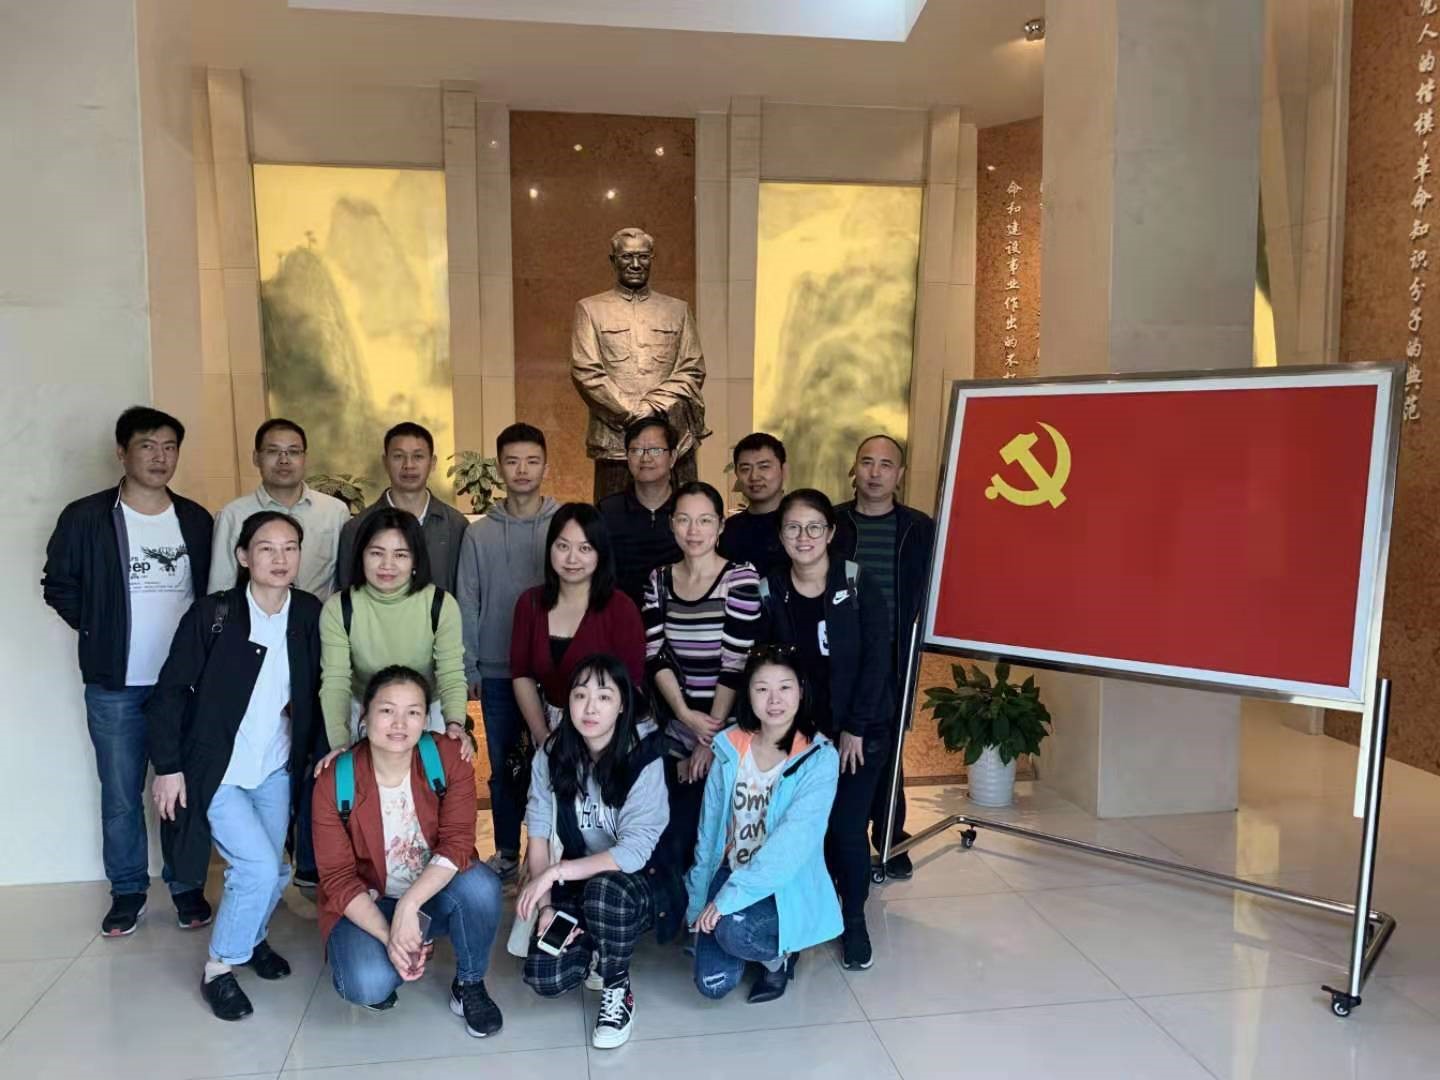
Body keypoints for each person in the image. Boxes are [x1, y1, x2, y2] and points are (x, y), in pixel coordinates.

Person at [41, 405, 214, 936]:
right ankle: (128, 890)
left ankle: (186, 885)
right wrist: (99, 628)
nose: (160, 457)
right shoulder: (86, 517)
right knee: (121, 794)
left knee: (184, 790)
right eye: (147, 446)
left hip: (182, 685)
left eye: (169, 447)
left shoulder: (195, 519)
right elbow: (58, 584)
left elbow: (213, 594)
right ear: (122, 452)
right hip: (115, 685)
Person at [146, 511, 323, 1020]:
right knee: (258, 867)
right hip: (217, 770)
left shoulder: (308, 612)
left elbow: (317, 688)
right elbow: (168, 693)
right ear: (243, 556)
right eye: (266, 548)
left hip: (274, 767)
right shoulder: (214, 614)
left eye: (290, 547)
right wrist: (168, 767)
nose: (280, 558)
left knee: (276, 867)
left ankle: (254, 938)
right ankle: (219, 969)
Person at [312, 666, 504, 1036]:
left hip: (432, 893)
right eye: (387, 710)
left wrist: (409, 906)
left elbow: (458, 844)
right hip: (371, 901)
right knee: (366, 983)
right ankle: (403, 943)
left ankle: (469, 984)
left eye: (413, 712)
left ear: (426, 719)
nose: (399, 723)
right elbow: (337, 878)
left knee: (481, 887)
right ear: (365, 716)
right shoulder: (335, 778)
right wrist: (392, 938)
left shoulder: (448, 757)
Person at [755, 489, 890, 971]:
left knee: (846, 829)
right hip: (800, 736)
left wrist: (855, 727)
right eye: (793, 528)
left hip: (860, 731)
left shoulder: (856, 582)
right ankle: (799, 916)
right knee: (797, 829)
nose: (804, 537)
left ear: (831, 533)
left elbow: (878, 661)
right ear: (781, 535)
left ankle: (853, 920)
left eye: (814, 527)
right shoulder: (771, 590)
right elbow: (764, 666)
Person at [515, 655, 669, 1049]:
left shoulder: (643, 757)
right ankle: (600, 944)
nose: (590, 707)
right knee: (545, 976)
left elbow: (632, 854)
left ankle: (618, 986)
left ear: (622, 704)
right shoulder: (552, 755)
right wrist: (547, 908)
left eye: (604, 696)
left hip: (637, 884)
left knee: (604, 892)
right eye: (580, 695)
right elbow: (538, 835)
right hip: (576, 883)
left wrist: (555, 873)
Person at [687, 647, 841, 1003]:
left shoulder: (819, 759)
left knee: (733, 930)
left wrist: (727, 902)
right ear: (749, 693)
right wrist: (699, 901)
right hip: (732, 869)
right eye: (762, 689)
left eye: (785, 687)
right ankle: (743, 933)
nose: (774, 700)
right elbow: (709, 830)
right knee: (712, 984)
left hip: (785, 882)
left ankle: (778, 959)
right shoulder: (729, 746)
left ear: (801, 690)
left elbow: (790, 847)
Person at [456, 422, 559, 882]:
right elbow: (467, 599)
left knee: (555, 759)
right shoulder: (478, 534)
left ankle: (553, 850)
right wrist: (470, 665)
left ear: (545, 466)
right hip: (498, 669)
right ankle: (505, 850)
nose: (522, 470)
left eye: (532, 461)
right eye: (512, 461)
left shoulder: (562, 524)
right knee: (504, 767)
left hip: (553, 669)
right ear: (499, 468)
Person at [641, 480, 761, 871]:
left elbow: (735, 663)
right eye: (684, 520)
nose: (694, 531)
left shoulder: (740, 578)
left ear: (721, 525)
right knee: (663, 827)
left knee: (707, 831)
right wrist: (683, 715)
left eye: (705, 520)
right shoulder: (658, 579)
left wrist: (708, 739)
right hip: (677, 722)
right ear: (672, 524)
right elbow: (655, 653)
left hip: (728, 728)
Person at [834, 434, 936, 881]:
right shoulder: (834, 522)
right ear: (854, 468)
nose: (875, 473)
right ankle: (841, 838)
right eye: (867, 462)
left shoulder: (918, 528)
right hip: (840, 658)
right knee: (837, 748)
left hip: (894, 658)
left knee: (888, 750)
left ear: (900, 474)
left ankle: (891, 835)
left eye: (886, 465)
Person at [319, 508, 473, 763]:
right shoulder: (339, 608)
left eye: (400, 554)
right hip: (365, 709)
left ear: (415, 560)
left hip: (425, 710)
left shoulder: (440, 604)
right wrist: (340, 743)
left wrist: (455, 723)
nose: (387, 565)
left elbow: (451, 673)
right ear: (361, 555)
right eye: (376, 553)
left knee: (427, 780)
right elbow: (336, 680)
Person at [571, 226, 706, 502]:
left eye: (643, 256)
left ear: (652, 258)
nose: (635, 264)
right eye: (626, 256)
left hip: (674, 439)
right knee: (612, 519)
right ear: (613, 260)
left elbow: (692, 369)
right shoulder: (591, 309)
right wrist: (632, 413)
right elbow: (586, 371)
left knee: (683, 516)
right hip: (615, 441)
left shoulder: (677, 310)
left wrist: (653, 408)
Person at [510, 504, 645, 747]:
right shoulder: (529, 603)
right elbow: (521, 674)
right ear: (550, 548)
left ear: (600, 553)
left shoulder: (621, 608)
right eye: (563, 546)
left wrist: (602, 743)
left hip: (608, 733)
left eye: (585, 548)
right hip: (546, 728)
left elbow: (631, 682)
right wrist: (542, 735)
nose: (572, 559)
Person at [209, 419, 349, 602]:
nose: (284, 460)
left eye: (293, 452)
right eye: (273, 451)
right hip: (254, 618)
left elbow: (346, 581)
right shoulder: (233, 515)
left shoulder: (335, 511)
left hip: (320, 617)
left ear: (305, 458)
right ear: (256, 458)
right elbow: (220, 587)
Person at [336, 422, 469, 593]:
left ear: (433, 463)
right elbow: (347, 594)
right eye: (398, 456)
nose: (409, 465)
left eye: (418, 456)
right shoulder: (356, 528)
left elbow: (466, 593)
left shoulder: (456, 526)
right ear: (385, 462)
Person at [597, 417, 683, 606]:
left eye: (655, 450)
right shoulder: (607, 511)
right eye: (636, 450)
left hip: (680, 615)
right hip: (620, 615)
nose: (645, 458)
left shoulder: (687, 509)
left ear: (673, 457)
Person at [717, 432, 789, 577]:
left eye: (764, 467)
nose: (754, 476)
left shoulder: (801, 524)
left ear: (783, 470)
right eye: (745, 469)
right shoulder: (729, 529)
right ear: (736, 473)